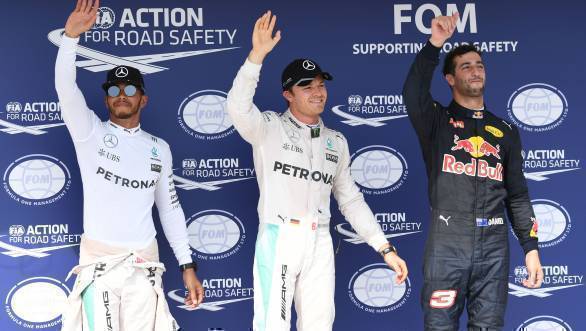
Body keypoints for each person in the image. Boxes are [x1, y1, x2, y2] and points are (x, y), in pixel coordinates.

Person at [226, 11, 408, 331]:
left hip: (320, 241)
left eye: (321, 85)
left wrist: (384, 247)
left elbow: (350, 200)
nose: (317, 92)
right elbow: (237, 107)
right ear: (288, 94)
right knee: (272, 326)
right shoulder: (268, 128)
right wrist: (256, 57)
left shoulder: (335, 141)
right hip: (279, 237)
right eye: (306, 86)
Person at [55, 1, 203, 330]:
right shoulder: (89, 132)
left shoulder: (159, 149)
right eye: (115, 90)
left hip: (144, 264)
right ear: (107, 98)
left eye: (131, 89)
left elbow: (169, 210)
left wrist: (187, 264)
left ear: (143, 99)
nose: (123, 94)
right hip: (100, 263)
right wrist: (70, 39)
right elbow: (66, 91)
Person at [402, 13, 544, 331]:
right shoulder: (436, 122)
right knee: (439, 326)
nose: (475, 70)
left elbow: (518, 195)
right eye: (465, 66)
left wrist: (531, 248)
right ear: (450, 79)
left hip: (494, 244)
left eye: (479, 65)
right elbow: (412, 93)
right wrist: (435, 43)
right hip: (447, 243)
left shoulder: (505, 130)